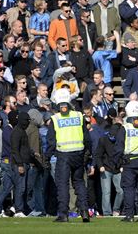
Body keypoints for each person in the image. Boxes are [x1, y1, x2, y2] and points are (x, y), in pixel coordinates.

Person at [46, 88, 93, 223]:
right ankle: (84, 211)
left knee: (63, 184)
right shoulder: (79, 116)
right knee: (79, 183)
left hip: (63, 155)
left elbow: (51, 141)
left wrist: (47, 158)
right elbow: (87, 137)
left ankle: (63, 214)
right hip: (79, 154)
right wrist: (88, 154)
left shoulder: (55, 119)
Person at [96, 122, 123, 216]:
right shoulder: (103, 140)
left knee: (121, 191)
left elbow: (123, 154)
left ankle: (116, 209)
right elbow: (98, 155)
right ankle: (107, 213)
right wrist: (100, 166)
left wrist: (122, 166)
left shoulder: (121, 140)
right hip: (106, 168)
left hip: (118, 169)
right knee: (106, 192)